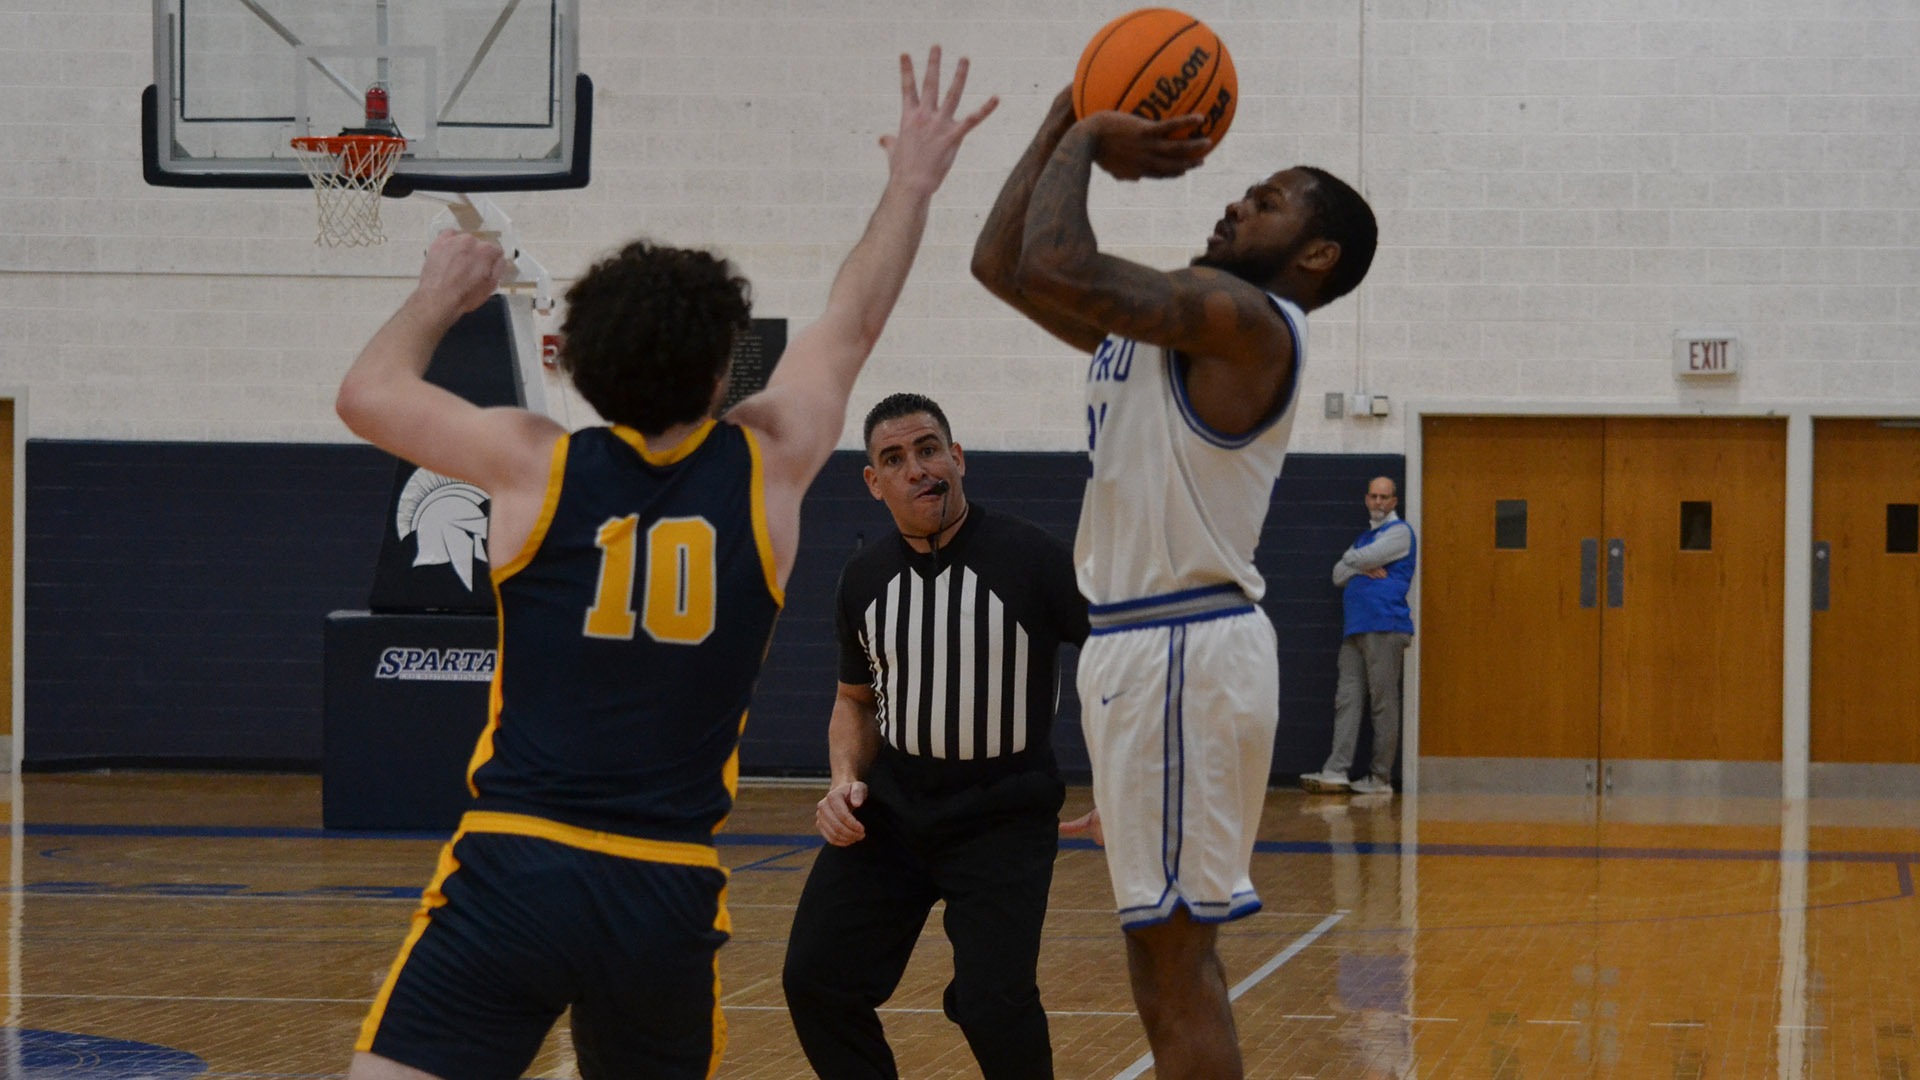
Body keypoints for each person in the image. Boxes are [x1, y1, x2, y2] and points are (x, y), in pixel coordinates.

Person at [332, 47, 996, 1080]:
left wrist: (439, 292)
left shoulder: (530, 462)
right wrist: (912, 181)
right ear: (724, 362)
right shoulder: (766, 463)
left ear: (582, 366)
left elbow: (366, 394)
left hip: (515, 862)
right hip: (663, 885)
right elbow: (853, 321)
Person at [971, 88, 1378, 1079]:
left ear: (1314, 254)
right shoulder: (1176, 332)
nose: (1237, 206)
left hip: (1183, 647)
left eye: (1267, 202)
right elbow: (1002, 263)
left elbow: (1058, 259)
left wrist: (1090, 137)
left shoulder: (1247, 319)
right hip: (1142, 649)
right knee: (1164, 959)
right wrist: (1064, 115)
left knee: (1173, 961)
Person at [781, 391, 1089, 1079]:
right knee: (816, 980)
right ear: (873, 482)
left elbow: (1119, 665)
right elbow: (854, 702)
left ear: (958, 458)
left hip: (1004, 815)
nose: (917, 468)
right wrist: (842, 782)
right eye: (895, 458)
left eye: (928, 450)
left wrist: (1135, 786)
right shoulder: (863, 578)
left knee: (991, 1003)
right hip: (891, 812)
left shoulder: (1035, 559)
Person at [1302, 477, 1416, 796]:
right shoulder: (1365, 537)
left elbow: (1349, 563)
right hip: (1355, 627)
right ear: (1366, 499)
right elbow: (1338, 575)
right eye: (1373, 496)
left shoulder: (1400, 532)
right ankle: (1336, 770)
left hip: (1385, 626)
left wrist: (1356, 562)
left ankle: (1380, 779)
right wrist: (1362, 565)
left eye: (1385, 497)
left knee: (1382, 703)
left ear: (1394, 501)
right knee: (1347, 699)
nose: (1378, 502)